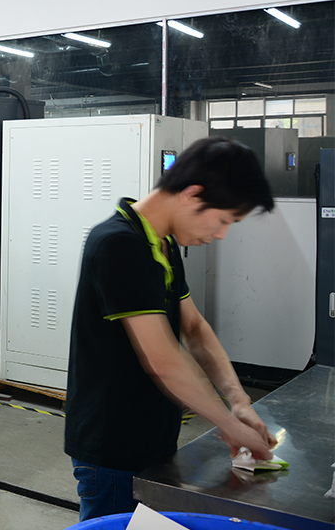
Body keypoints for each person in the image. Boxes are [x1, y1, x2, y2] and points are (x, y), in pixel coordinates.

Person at [64, 135, 278, 521]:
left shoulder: (161, 243)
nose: (221, 234)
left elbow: (194, 327)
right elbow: (162, 359)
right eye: (224, 220)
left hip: (152, 437)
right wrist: (229, 426)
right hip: (114, 446)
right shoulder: (118, 244)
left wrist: (239, 401)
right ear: (193, 195)